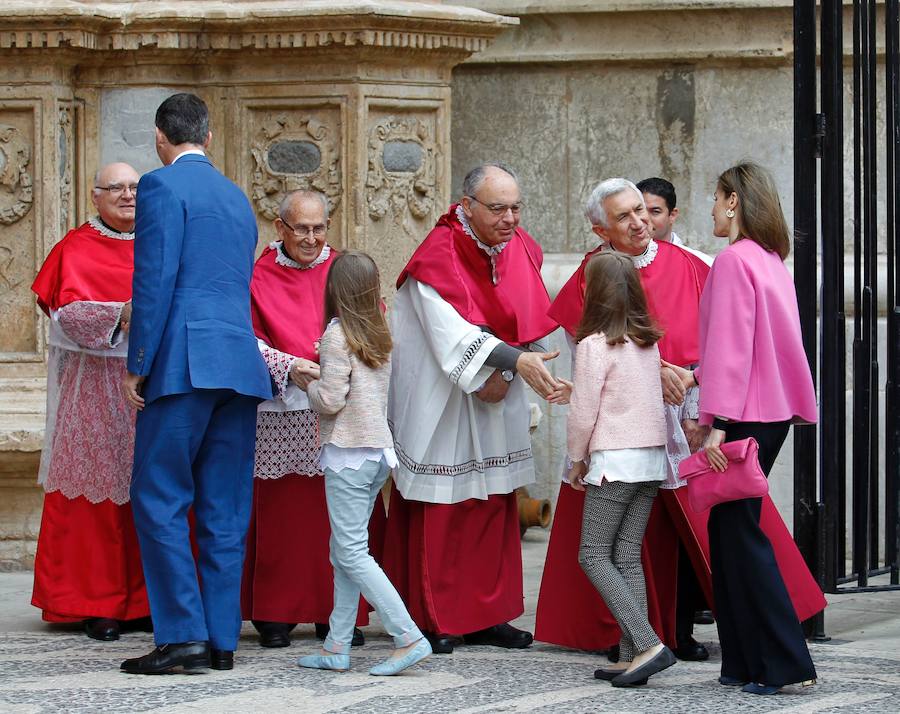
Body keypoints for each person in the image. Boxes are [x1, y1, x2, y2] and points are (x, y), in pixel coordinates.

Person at [535, 178, 826, 662]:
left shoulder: (699, 264)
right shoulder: (593, 273)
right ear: (599, 228)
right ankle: (634, 635)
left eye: (642, 211)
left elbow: (728, 342)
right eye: (624, 216)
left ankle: (683, 631)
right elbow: (588, 357)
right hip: (630, 426)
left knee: (697, 530)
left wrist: (700, 403)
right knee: (633, 541)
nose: (639, 222)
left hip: (691, 420)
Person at [120, 93, 272, 675]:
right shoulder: (237, 198)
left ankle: (182, 635)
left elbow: (154, 280)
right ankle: (221, 638)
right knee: (225, 507)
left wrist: (139, 360)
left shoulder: (161, 186)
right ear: (207, 139)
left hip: (182, 362)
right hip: (236, 362)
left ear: (161, 138)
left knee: (159, 498)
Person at [382, 163, 561, 655]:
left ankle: (489, 613)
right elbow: (449, 335)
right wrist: (511, 362)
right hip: (443, 401)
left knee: (495, 502)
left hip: (496, 387)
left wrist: (515, 366)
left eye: (516, 207)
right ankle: (437, 615)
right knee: (446, 507)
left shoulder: (517, 247)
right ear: (467, 206)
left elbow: (529, 313)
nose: (510, 219)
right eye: (498, 208)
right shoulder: (438, 255)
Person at [666, 162, 819, 695]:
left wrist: (716, 425)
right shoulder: (772, 261)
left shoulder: (733, 262)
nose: (710, 207)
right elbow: (757, 347)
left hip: (742, 415)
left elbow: (732, 351)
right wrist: (698, 378)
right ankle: (743, 662)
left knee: (740, 538)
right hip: (770, 411)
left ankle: (780, 662)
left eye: (715, 196)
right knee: (732, 538)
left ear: (733, 202)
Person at [242, 189, 374, 648]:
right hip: (281, 409)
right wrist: (288, 366)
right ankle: (275, 614)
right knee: (282, 516)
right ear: (280, 228)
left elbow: (370, 324)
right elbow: (245, 338)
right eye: (301, 228)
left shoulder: (344, 272)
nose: (312, 238)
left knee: (337, 516)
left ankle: (333, 613)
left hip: (337, 409)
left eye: (320, 228)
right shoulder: (257, 274)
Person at [295, 251, 432, 676]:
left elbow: (332, 400)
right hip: (376, 453)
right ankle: (337, 645)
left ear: (334, 289)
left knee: (352, 552)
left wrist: (307, 384)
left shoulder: (337, 336)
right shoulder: (377, 330)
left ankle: (407, 635)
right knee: (345, 551)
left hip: (348, 454)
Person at [30, 162, 150, 642]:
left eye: (135, 187)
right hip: (93, 392)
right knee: (95, 503)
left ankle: (142, 601)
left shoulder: (160, 240)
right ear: (94, 196)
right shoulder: (74, 247)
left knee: (148, 497)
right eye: (115, 188)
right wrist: (118, 313)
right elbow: (61, 316)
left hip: (150, 389)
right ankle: (95, 603)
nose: (126, 195)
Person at [565, 251, 677, 687]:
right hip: (650, 459)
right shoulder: (647, 343)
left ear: (594, 294)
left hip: (615, 461)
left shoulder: (595, 346)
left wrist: (577, 459)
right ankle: (634, 654)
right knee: (626, 555)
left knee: (592, 554)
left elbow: (583, 412)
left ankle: (648, 644)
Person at [637, 177, 713, 267]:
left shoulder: (701, 264)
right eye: (639, 211)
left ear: (672, 215)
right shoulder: (620, 262)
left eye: (655, 212)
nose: (645, 218)